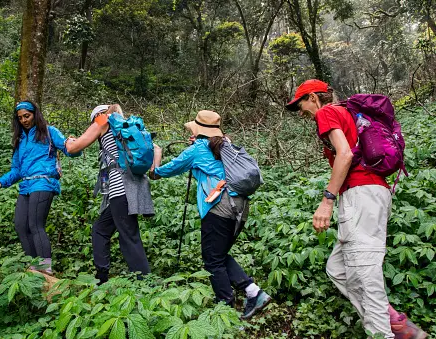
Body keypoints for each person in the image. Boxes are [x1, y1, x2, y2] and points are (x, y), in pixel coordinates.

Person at [286, 79, 428, 339]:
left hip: (360, 194)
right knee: (338, 269)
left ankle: (383, 333)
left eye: (302, 103)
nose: (302, 111)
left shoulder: (327, 112)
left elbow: (345, 154)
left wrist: (327, 200)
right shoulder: (348, 112)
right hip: (372, 193)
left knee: (365, 274)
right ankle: (393, 321)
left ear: (314, 98)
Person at [149, 110, 271, 319]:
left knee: (212, 260)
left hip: (219, 206)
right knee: (219, 254)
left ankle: (226, 310)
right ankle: (253, 293)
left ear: (197, 130)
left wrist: (154, 165)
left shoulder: (197, 149)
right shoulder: (226, 144)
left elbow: (166, 171)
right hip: (239, 205)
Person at [0, 100, 81, 275]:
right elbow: (16, 169)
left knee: (35, 224)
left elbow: (69, 149)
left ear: (35, 114)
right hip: (26, 185)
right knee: (20, 225)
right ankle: (34, 267)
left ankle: (45, 269)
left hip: (44, 181)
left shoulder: (48, 131)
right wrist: (1, 181)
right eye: (20, 118)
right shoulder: (20, 140)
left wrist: (76, 145)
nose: (24, 120)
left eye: (27, 116)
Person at [65, 104, 152, 284]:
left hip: (120, 189)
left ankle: (146, 285)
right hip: (134, 187)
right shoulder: (127, 127)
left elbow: (74, 148)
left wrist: (68, 141)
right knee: (100, 229)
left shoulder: (102, 121)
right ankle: (101, 278)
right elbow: (156, 149)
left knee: (129, 237)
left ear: (99, 115)